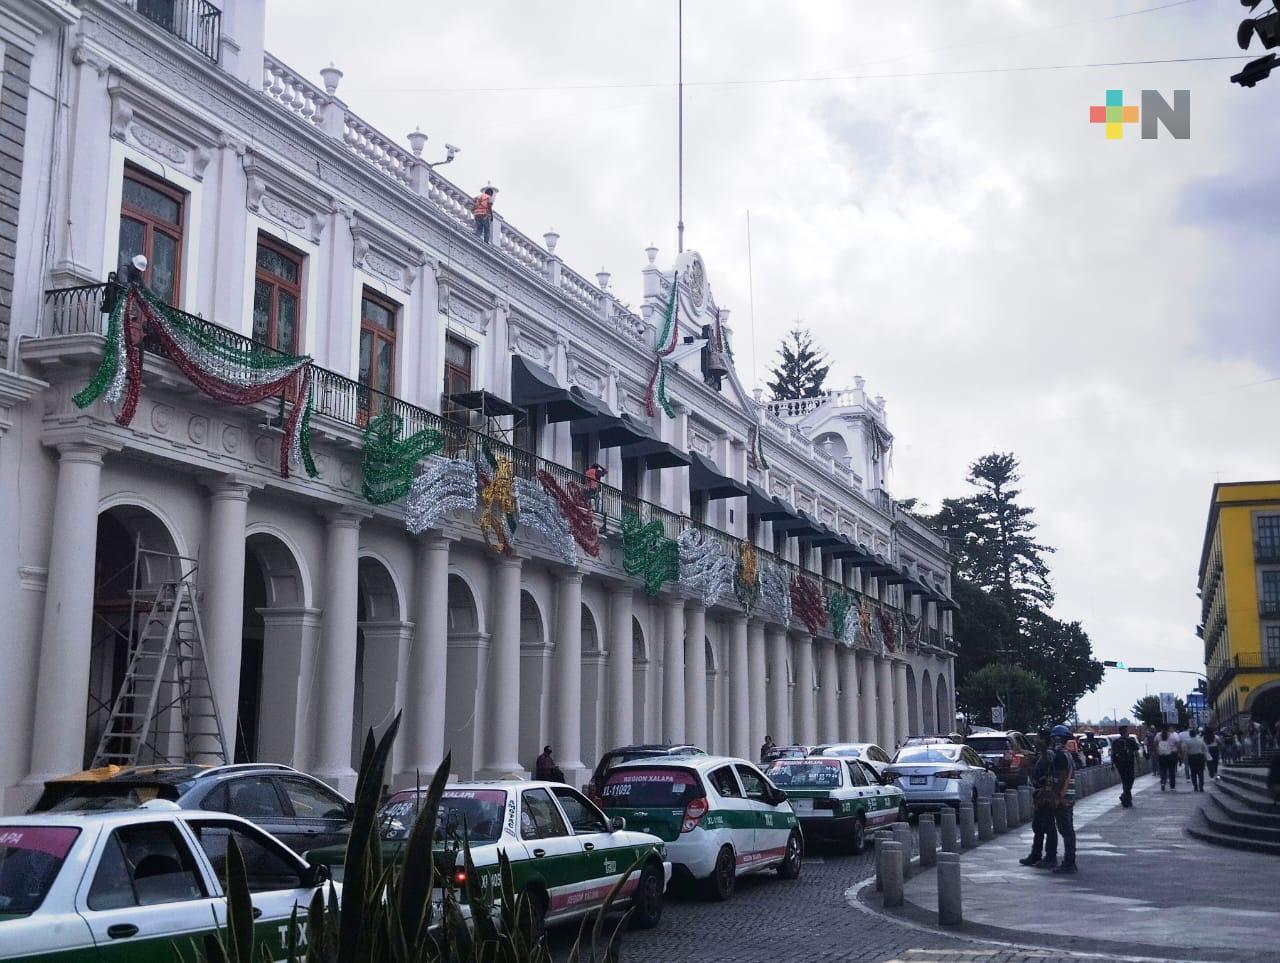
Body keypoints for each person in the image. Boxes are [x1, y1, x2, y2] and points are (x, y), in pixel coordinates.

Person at [1020, 729, 1060, 868]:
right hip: (1039, 794)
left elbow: (1049, 777)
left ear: (1044, 740)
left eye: (1038, 738)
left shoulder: (1048, 756)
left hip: (1045, 796)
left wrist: (1045, 794)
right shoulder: (1043, 756)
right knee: (1038, 826)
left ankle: (1050, 857)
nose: (1036, 741)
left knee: (1048, 827)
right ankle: (1036, 854)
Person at [1048, 724, 1077, 874]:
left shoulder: (1060, 756)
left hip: (1063, 798)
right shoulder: (1067, 754)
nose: (1052, 740)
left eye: (1053, 737)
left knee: (1066, 830)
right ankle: (1069, 861)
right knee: (1068, 830)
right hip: (1068, 798)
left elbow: (1061, 778)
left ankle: (1069, 862)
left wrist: (1057, 797)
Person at [1112, 725, 1138, 808]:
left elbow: (1112, 754)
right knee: (1130, 780)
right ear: (1126, 732)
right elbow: (1136, 752)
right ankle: (1125, 797)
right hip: (1128, 764)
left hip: (1120, 764)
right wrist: (1139, 763)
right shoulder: (1130, 740)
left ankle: (1127, 799)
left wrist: (1113, 764)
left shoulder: (1116, 741)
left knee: (1125, 781)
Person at [1183, 727, 1208, 792]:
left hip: (1192, 757)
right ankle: (1201, 786)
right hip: (1200, 757)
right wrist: (1205, 757)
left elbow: (1186, 751)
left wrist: (1185, 757)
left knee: (1193, 772)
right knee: (1201, 772)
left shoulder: (1187, 741)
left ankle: (1195, 787)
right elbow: (1205, 749)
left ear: (1190, 734)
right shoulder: (1200, 740)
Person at [1155, 726, 1179, 790]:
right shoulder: (1172, 736)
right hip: (1171, 755)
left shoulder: (1158, 735)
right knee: (1172, 771)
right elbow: (1177, 744)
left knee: (1163, 770)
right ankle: (1172, 786)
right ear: (1168, 729)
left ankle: (1163, 782)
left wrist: (1157, 752)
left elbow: (1155, 744)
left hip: (1162, 755)